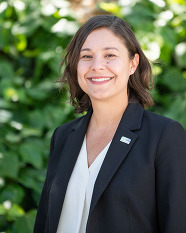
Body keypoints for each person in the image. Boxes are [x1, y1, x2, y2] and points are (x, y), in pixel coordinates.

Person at [33, 15, 186, 233]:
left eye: (109, 55)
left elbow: (177, 224)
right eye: (86, 56)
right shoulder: (63, 136)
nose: (97, 66)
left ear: (133, 63)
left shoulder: (164, 136)